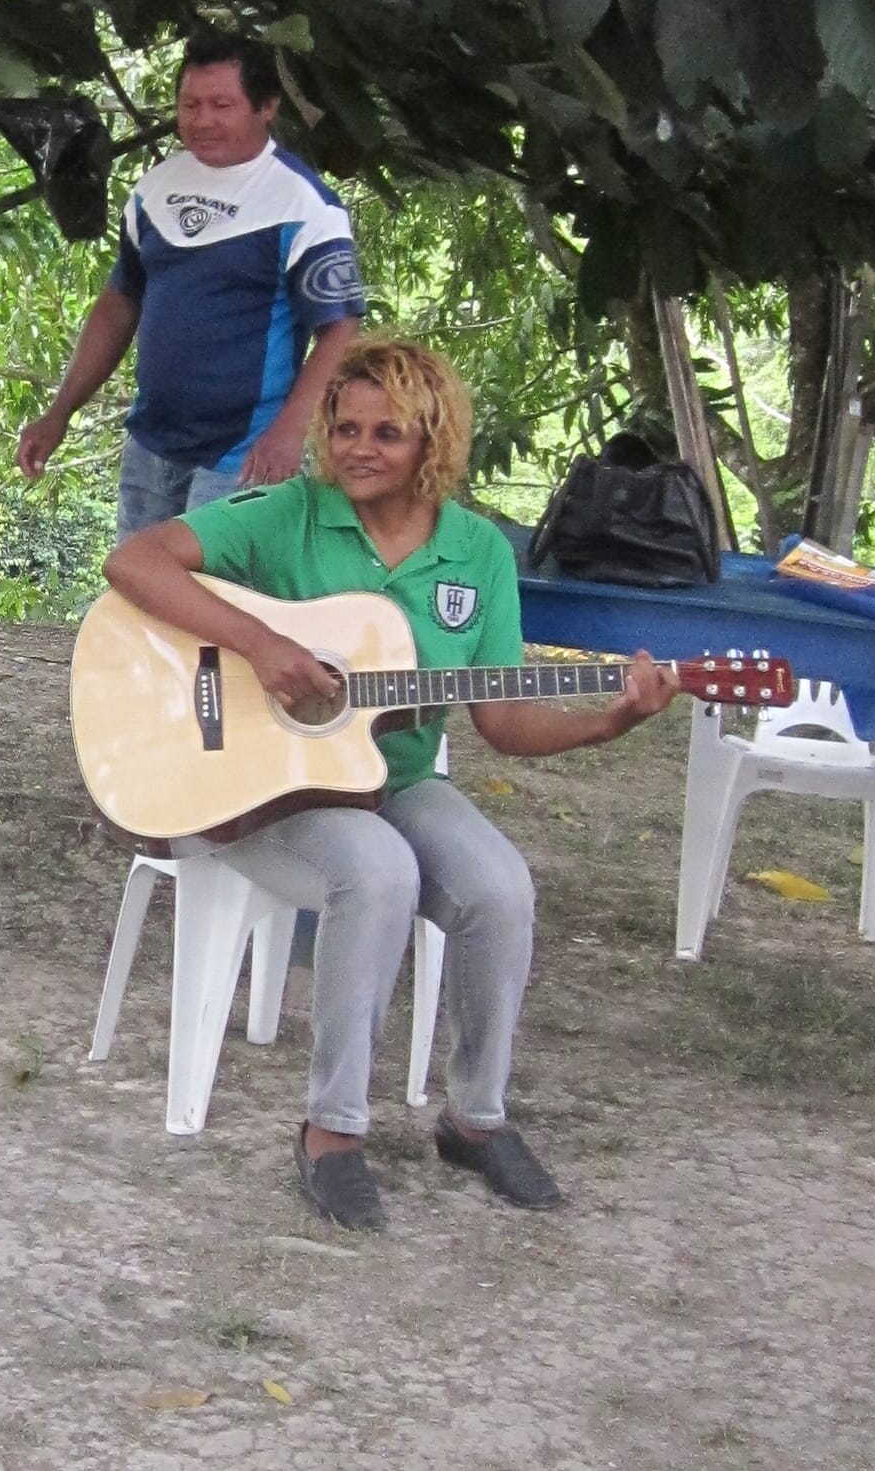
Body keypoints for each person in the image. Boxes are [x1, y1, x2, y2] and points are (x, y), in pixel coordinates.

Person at [102, 337, 677, 1230]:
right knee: (377, 871)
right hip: (263, 786)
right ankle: (331, 1131)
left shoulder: (477, 553)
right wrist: (261, 644)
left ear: (431, 442)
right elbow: (134, 562)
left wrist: (611, 720)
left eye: (387, 433)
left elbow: (502, 722)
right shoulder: (291, 512)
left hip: (395, 779)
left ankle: (475, 1117)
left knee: (499, 888)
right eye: (345, 428)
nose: (359, 448)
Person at [17, 28, 366, 537]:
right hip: (151, 444)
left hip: (244, 454)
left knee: (211, 587)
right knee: (135, 582)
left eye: (221, 105)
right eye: (190, 105)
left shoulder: (305, 205)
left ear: (267, 107)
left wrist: (290, 430)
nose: (202, 120)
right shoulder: (155, 190)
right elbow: (120, 302)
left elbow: (340, 328)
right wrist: (59, 412)